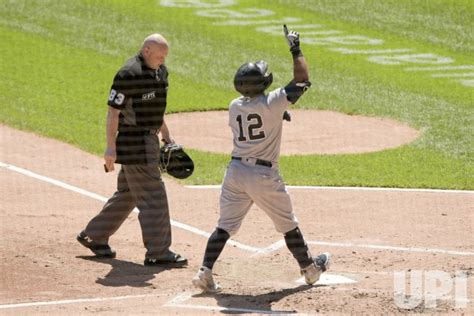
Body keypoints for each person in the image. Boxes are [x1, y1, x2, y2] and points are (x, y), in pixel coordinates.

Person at [192, 25, 331, 292]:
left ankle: (205, 272)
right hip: (263, 177)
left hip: (235, 174)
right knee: (288, 224)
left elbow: (257, 117)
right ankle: (311, 270)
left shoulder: (234, 106)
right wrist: (295, 47)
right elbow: (302, 79)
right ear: (263, 84)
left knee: (224, 226)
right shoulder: (273, 102)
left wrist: (279, 115)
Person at [76, 33, 187, 267]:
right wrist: (110, 147)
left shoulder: (160, 72)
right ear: (146, 50)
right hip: (135, 142)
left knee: (129, 193)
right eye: (159, 55)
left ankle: (94, 235)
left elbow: (156, 109)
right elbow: (113, 112)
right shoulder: (129, 74)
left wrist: (166, 135)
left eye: (165, 56)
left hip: (150, 140)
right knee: (154, 196)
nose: (163, 60)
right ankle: (158, 251)